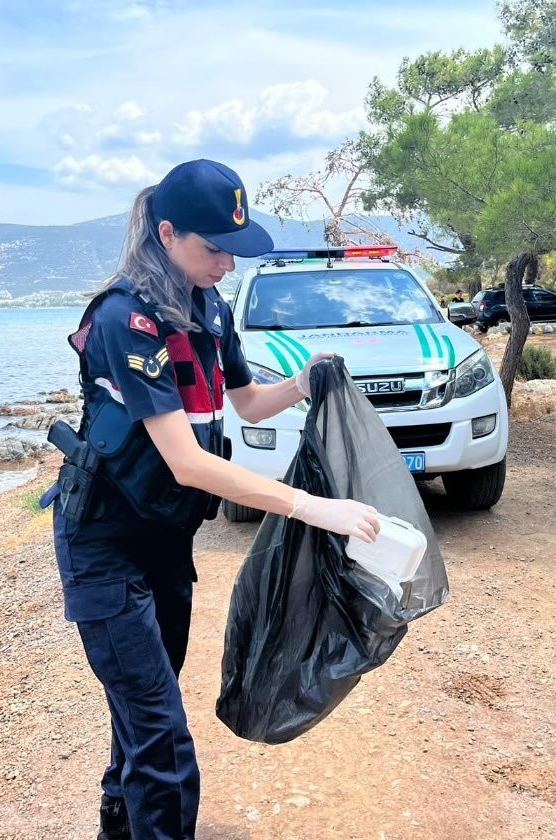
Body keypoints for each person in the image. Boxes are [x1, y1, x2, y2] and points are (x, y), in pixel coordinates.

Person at [42, 159, 380, 840]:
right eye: (211, 248)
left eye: (232, 249)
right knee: (162, 736)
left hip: (164, 541)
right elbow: (187, 462)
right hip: (103, 547)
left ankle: (119, 826)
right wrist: (314, 508)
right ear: (166, 233)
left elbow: (248, 403)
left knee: (144, 713)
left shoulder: (210, 307)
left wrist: (305, 382)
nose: (224, 262)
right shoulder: (126, 320)